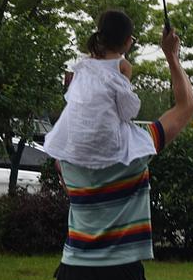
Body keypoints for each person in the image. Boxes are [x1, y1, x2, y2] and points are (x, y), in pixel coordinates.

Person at [51, 17, 193, 280]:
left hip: (75, 275)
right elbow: (186, 106)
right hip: (122, 278)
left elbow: (77, 118)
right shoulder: (138, 147)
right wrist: (172, 57)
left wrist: (92, 70)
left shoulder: (65, 156)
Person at [44, 10, 155, 169]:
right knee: (137, 140)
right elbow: (125, 111)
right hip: (105, 141)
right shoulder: (123, 66)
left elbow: (73, 97)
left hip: (74, 135)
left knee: (61, 158)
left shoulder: (85, 63)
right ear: (127, 40)